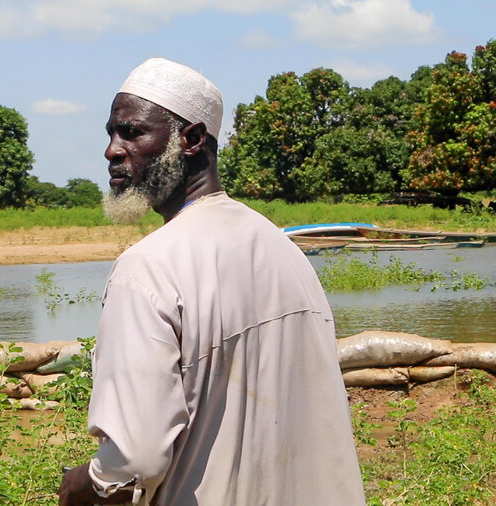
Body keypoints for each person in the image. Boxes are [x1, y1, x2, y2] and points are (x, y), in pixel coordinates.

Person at [58, 57, 365, 506]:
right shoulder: (283, 249)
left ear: (191, 139)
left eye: (132, 132)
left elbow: (134, 463)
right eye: (110, 133)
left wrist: (81, 484)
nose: (112, 150)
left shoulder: (147, 268)